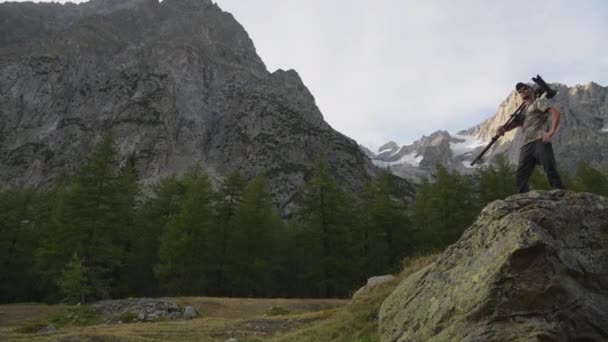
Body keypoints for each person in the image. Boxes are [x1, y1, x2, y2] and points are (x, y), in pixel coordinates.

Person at [496, 82, 565, 193]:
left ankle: (560, 192)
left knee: (549, 166)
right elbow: (514, 125)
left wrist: (551, 131)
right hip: (526, 145)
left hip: (540, 140)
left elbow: (555, 113)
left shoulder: (538, 102)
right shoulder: (523, 111)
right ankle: (522, 198)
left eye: (525, 89)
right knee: (521, 174)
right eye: (520, 92)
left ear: (532, 91)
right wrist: (502, 128)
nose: (522, 92)